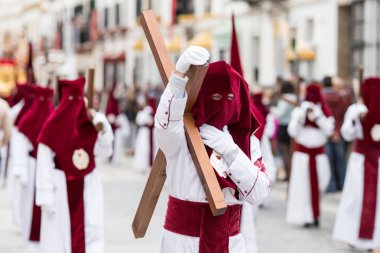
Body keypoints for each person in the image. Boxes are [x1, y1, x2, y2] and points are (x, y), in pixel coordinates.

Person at [155, 46, 270, 253]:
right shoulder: (181, 131)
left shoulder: (245, 140)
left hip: (229, 242)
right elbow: (164, 128)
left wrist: (232, 151)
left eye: (229, 99)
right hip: (182, 242)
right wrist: (178, 76)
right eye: (215, 97)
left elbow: (259, 193)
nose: (222, 106)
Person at [35, 77, 114, 253]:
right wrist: (45, 194)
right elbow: (43, 161)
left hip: (87, 186)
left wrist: (100, 124)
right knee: (59, 238)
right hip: (60, 188)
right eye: (71, 100)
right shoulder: (53, 125)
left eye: (78, 100)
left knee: (89, 233)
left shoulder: (90, 124)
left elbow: (105, 150)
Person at [333, 78, 380, 252]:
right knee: (355, 199)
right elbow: (347, 134)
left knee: (377, 201)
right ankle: (352, 235)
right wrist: (355, 118)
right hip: (359, 162)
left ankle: (375, 241)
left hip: (378, 161)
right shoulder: (356, 109)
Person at [286, 83, 334, 227]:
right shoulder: (299, 111)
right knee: (303, 188)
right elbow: (292, 132)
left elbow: (329, 130)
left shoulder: (324, 111)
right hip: (303, 156)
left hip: (319, 156)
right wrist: (302, 115)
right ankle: (306, 217)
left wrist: (318, 116)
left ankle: (315, 214)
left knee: (321, 185)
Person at [13, 86, 54, 250]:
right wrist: (21, 170)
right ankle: (29, 241)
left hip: (48, 172)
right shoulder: (28, 119)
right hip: (31, 169)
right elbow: (21, 146)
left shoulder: (54, 119)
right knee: (29, 207)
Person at [321, 76, 351, 192]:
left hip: (327, 132)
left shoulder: (322, 97)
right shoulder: (341, 98)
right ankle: (343, 184)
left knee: (328, 160)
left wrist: (330, 130)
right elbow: (344, 114)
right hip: (339, 132)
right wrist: (337, 130)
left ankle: (331, 185)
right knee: (341, 160)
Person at [271, 81, 296, 181]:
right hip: (292, 126)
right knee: (291, 153)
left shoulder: (283, 99)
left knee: (285, 153)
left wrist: (273, 110)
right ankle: (290, 174)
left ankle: (288, 174)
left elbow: (280, 114)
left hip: (284, 126)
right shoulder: (294, 98)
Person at [105, 84, 130, 164]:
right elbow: (109, 114)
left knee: (116, 143)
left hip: (116, 127)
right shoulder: (111, 103)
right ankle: (109, 156)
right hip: (112, 127)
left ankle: (113, 156)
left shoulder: (117, 102)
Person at [133, 94, 157, 173]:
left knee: (147, 148)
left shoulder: (148, 109)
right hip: (142, 132)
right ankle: (143, 165)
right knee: (142, 148)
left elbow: (150, 120)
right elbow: (138, 122)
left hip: (147, 132)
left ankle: (148, 165)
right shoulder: (142, 111)